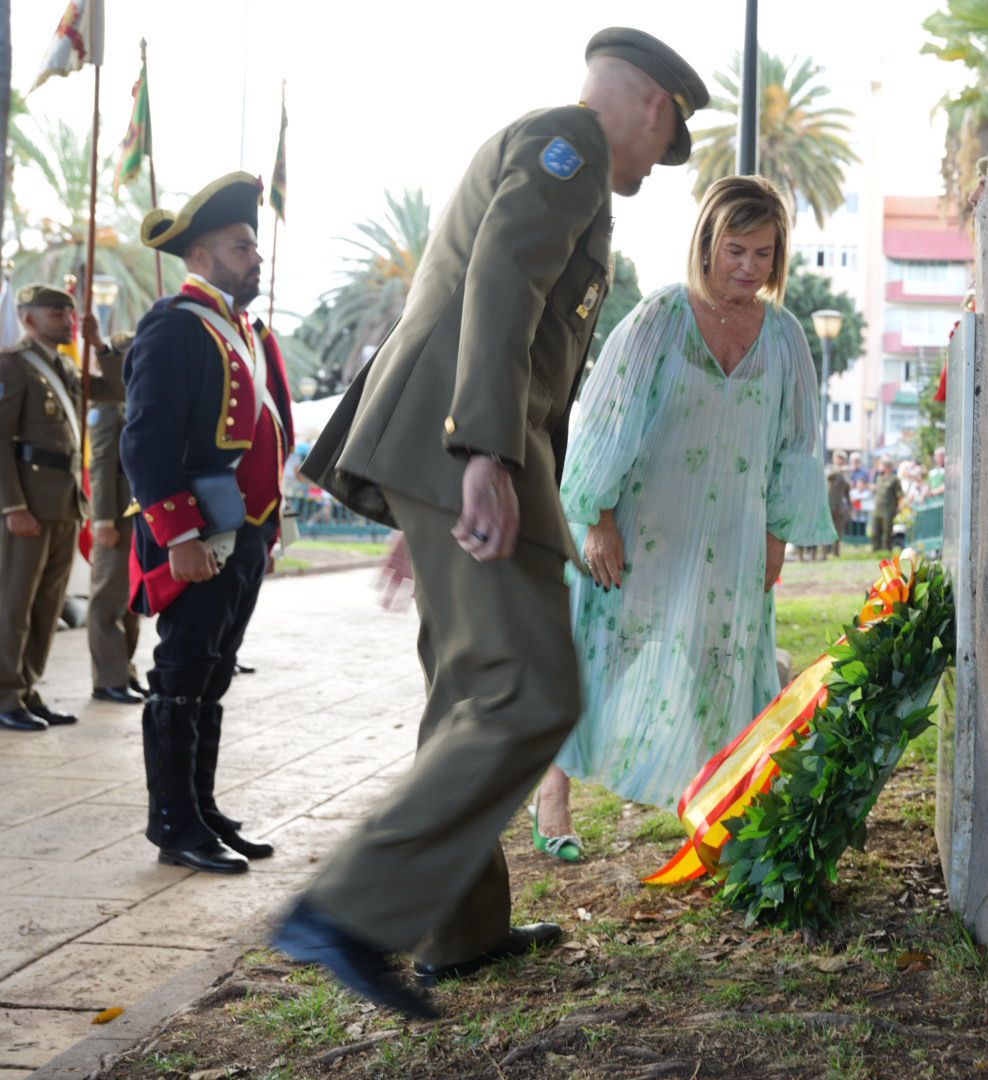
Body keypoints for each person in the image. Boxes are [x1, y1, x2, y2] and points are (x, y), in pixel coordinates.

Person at [278, 28, 709, 1019]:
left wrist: (426, 492)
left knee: (471, 691)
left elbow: (501, 318)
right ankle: (345, 910)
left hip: (442, 460)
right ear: (652, 106)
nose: (656, 161)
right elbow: (503, 284)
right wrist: (477, 455)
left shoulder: (557, 155)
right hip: (462, 451)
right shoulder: (569, 148)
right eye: (666, 138)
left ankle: (461, 932)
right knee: (528, 692)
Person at [532, 175, 836, 854]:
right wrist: (599, 516)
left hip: (730, 535)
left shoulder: (785, 339)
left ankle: (717, 804)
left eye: (764, 254)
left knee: (721, 663)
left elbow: (796, 446)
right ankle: (552, 788)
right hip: (642, 527)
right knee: (600, 654)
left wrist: (778, 535)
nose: (750, 267)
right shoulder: (659, 319)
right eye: (737, 250)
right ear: (706, 243)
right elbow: (605, 420)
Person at [122, 172, 293, 876]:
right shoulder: (175, 324)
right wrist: (181, 535)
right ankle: (173, 825)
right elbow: (146, 438)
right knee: (180, 675)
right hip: (196, 531)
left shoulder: (252, 331)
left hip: (243, 530)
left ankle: (202, 807)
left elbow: (268, 433)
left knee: (214, 673)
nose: (256, 258)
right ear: (200, 255)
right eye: (241, 245)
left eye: (254, 245)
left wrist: (267, 531)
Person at [0, 285, 114, 731]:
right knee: (14, 603)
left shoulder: (65, 366)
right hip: (28, 503)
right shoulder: (13, 365)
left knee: (47, 605)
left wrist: (98, 343)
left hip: (65, 503)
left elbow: (118, 390)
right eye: (56, 314)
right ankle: (5, 693)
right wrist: (12, 505)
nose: (67, 321)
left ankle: (27, 687)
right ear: (28, 320)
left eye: (70, 314)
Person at [86, 331, 145, 706]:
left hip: (139, 514)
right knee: (109, 597)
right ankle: (108, 679)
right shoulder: (109, 403)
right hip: (116, 515)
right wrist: (103, 519)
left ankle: (124, 671)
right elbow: (103, 464)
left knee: (131, 598)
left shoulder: (141, 399)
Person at [823, 451, 852, 560]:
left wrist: (849, 505)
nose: (840, 460)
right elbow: (828, 477)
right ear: (834, 458)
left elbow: (847, 490)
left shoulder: (845, 474)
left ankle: (836, 553)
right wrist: (840, 470)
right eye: (838, 458)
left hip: (840, 506)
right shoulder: (830, 468)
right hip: (829, 504)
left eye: (842, 458)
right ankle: (824, 553)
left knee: (838, 531)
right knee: (826, 530)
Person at [868, 457, 900, 551]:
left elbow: (899, 495)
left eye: (883, 465)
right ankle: (876, 550)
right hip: (878, 509)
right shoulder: (879, 478)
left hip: (888, 509)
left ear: (888, 467)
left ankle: (887, 551)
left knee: (887, 532)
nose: (881, 467)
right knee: (875, 531)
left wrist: (898, 508)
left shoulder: (894, 479)